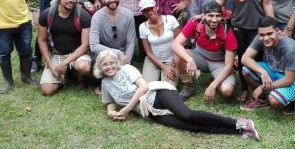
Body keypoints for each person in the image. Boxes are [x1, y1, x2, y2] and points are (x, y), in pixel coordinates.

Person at [94, 49, 260, 140]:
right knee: (189, 126)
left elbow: (143, 87)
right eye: (104, 65)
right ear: (99, 68)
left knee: (186, 115)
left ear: (116, 63)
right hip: (150, 112)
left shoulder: (127, 70)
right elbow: (110, 102)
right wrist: (111, 111)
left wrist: (127, 109)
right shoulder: (105, 83)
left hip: (159, 93)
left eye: (111, 63)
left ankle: (239, 123)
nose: (109, 67)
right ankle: (240, 131)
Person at [216, 0, 274, 103]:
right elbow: (221, 0)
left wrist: (272, 25)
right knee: (242, 59)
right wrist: (209, 12)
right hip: (237, 27)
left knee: (258, 59)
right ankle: (244, 89)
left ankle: (261, 89)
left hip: (257, 29)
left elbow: (267, 3)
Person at [241, 16, 295, 115]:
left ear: (277, 31)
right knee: (246, 70)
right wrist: (263, 72)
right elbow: (245, 58)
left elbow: (288, 80)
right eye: (262, 35)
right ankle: (262, 100)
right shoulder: (260, 37)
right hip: (274, 70)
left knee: (274, 100)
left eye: (270, 34)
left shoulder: (290, 49)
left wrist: (262, 87)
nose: (266, 38)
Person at [172, 2, 237, 102]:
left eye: (217, 16)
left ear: (222, 17)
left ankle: (216, 80)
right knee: (178, 56)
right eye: (210, 15)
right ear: (204, 16)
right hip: (199, 56)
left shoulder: (227, 31)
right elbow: (175, 44)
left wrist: (212, 86)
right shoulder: (195, 23)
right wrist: (189, 60)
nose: (214, 20)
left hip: (219, 62)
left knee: (227, 91)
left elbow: (229, 65)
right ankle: (188, 85)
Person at [37, 0, 92, 96]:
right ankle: (65, 76)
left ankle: (79, 75)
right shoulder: (46, 14)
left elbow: (85, 45)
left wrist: (65, 62)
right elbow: (41, 40)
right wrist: (50, 64)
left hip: (77, 54)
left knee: (84, 67)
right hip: (57, 54)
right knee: (46, 90)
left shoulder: (83, 15)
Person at [89, 0, 136, 64]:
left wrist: (127, 62)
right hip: (104, 55)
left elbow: (130, 43)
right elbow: (94, 46)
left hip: (124, 55)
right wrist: (117, 53)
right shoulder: (97, 18)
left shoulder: (129, 15)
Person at [138, 0, 181, 86]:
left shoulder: (170, 19)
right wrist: (163, 67)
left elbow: (180, 42)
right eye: (145, 10)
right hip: (153, 60)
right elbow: (148, 53)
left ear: (156, 7)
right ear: (142, 13)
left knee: (168, 87)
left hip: (171, 59)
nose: (149, 12)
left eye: (151, 8)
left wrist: (174, 61)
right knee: (147, 86)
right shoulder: (142, 27)